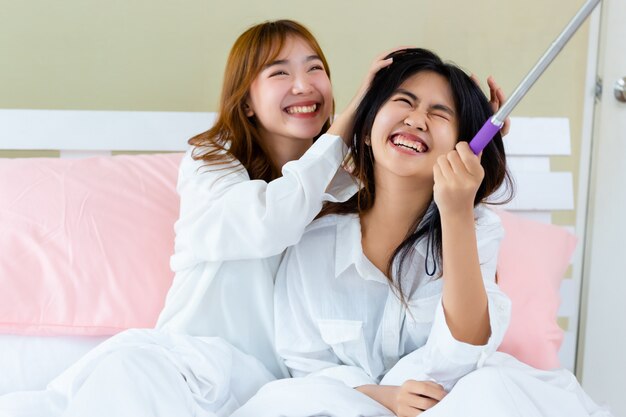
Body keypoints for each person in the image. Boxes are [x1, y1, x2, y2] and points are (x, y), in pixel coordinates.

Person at [230, 48, 612, 417]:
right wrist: (385, 397)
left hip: (449, 403)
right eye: (404, 101)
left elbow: (464, 350)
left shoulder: (475, 229)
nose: (416, 119)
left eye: (439, 113)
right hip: (347, 405)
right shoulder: (312, 241)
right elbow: (305, 370)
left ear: (464, 149)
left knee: (486, 388)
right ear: (365, 130)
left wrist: (457, 212)